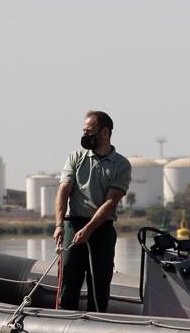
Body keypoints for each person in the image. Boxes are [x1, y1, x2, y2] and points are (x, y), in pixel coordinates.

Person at [52, 110, 132, 312]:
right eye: (84, 131)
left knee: (99, 285)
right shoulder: (76, 157)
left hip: (102, 229)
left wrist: (89, 230)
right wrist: (59, 225)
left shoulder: (121, 165)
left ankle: (96, 322)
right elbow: (63, 191)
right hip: (74, 224)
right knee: (69, 281)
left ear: (105, 133)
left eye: (89, 132)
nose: (85, 136)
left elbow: (111, 202)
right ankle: (63, 322)